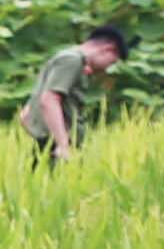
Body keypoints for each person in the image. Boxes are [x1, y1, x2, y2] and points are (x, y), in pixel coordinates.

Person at [23, 27, 127, 165]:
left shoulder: (66, 58)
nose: (106, 68)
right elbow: (49, 100)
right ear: (108, 49)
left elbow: (25, 115)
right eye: (112, 62)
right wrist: (63, 145)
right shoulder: (72, 60)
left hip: (48, 145)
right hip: (58, 150)